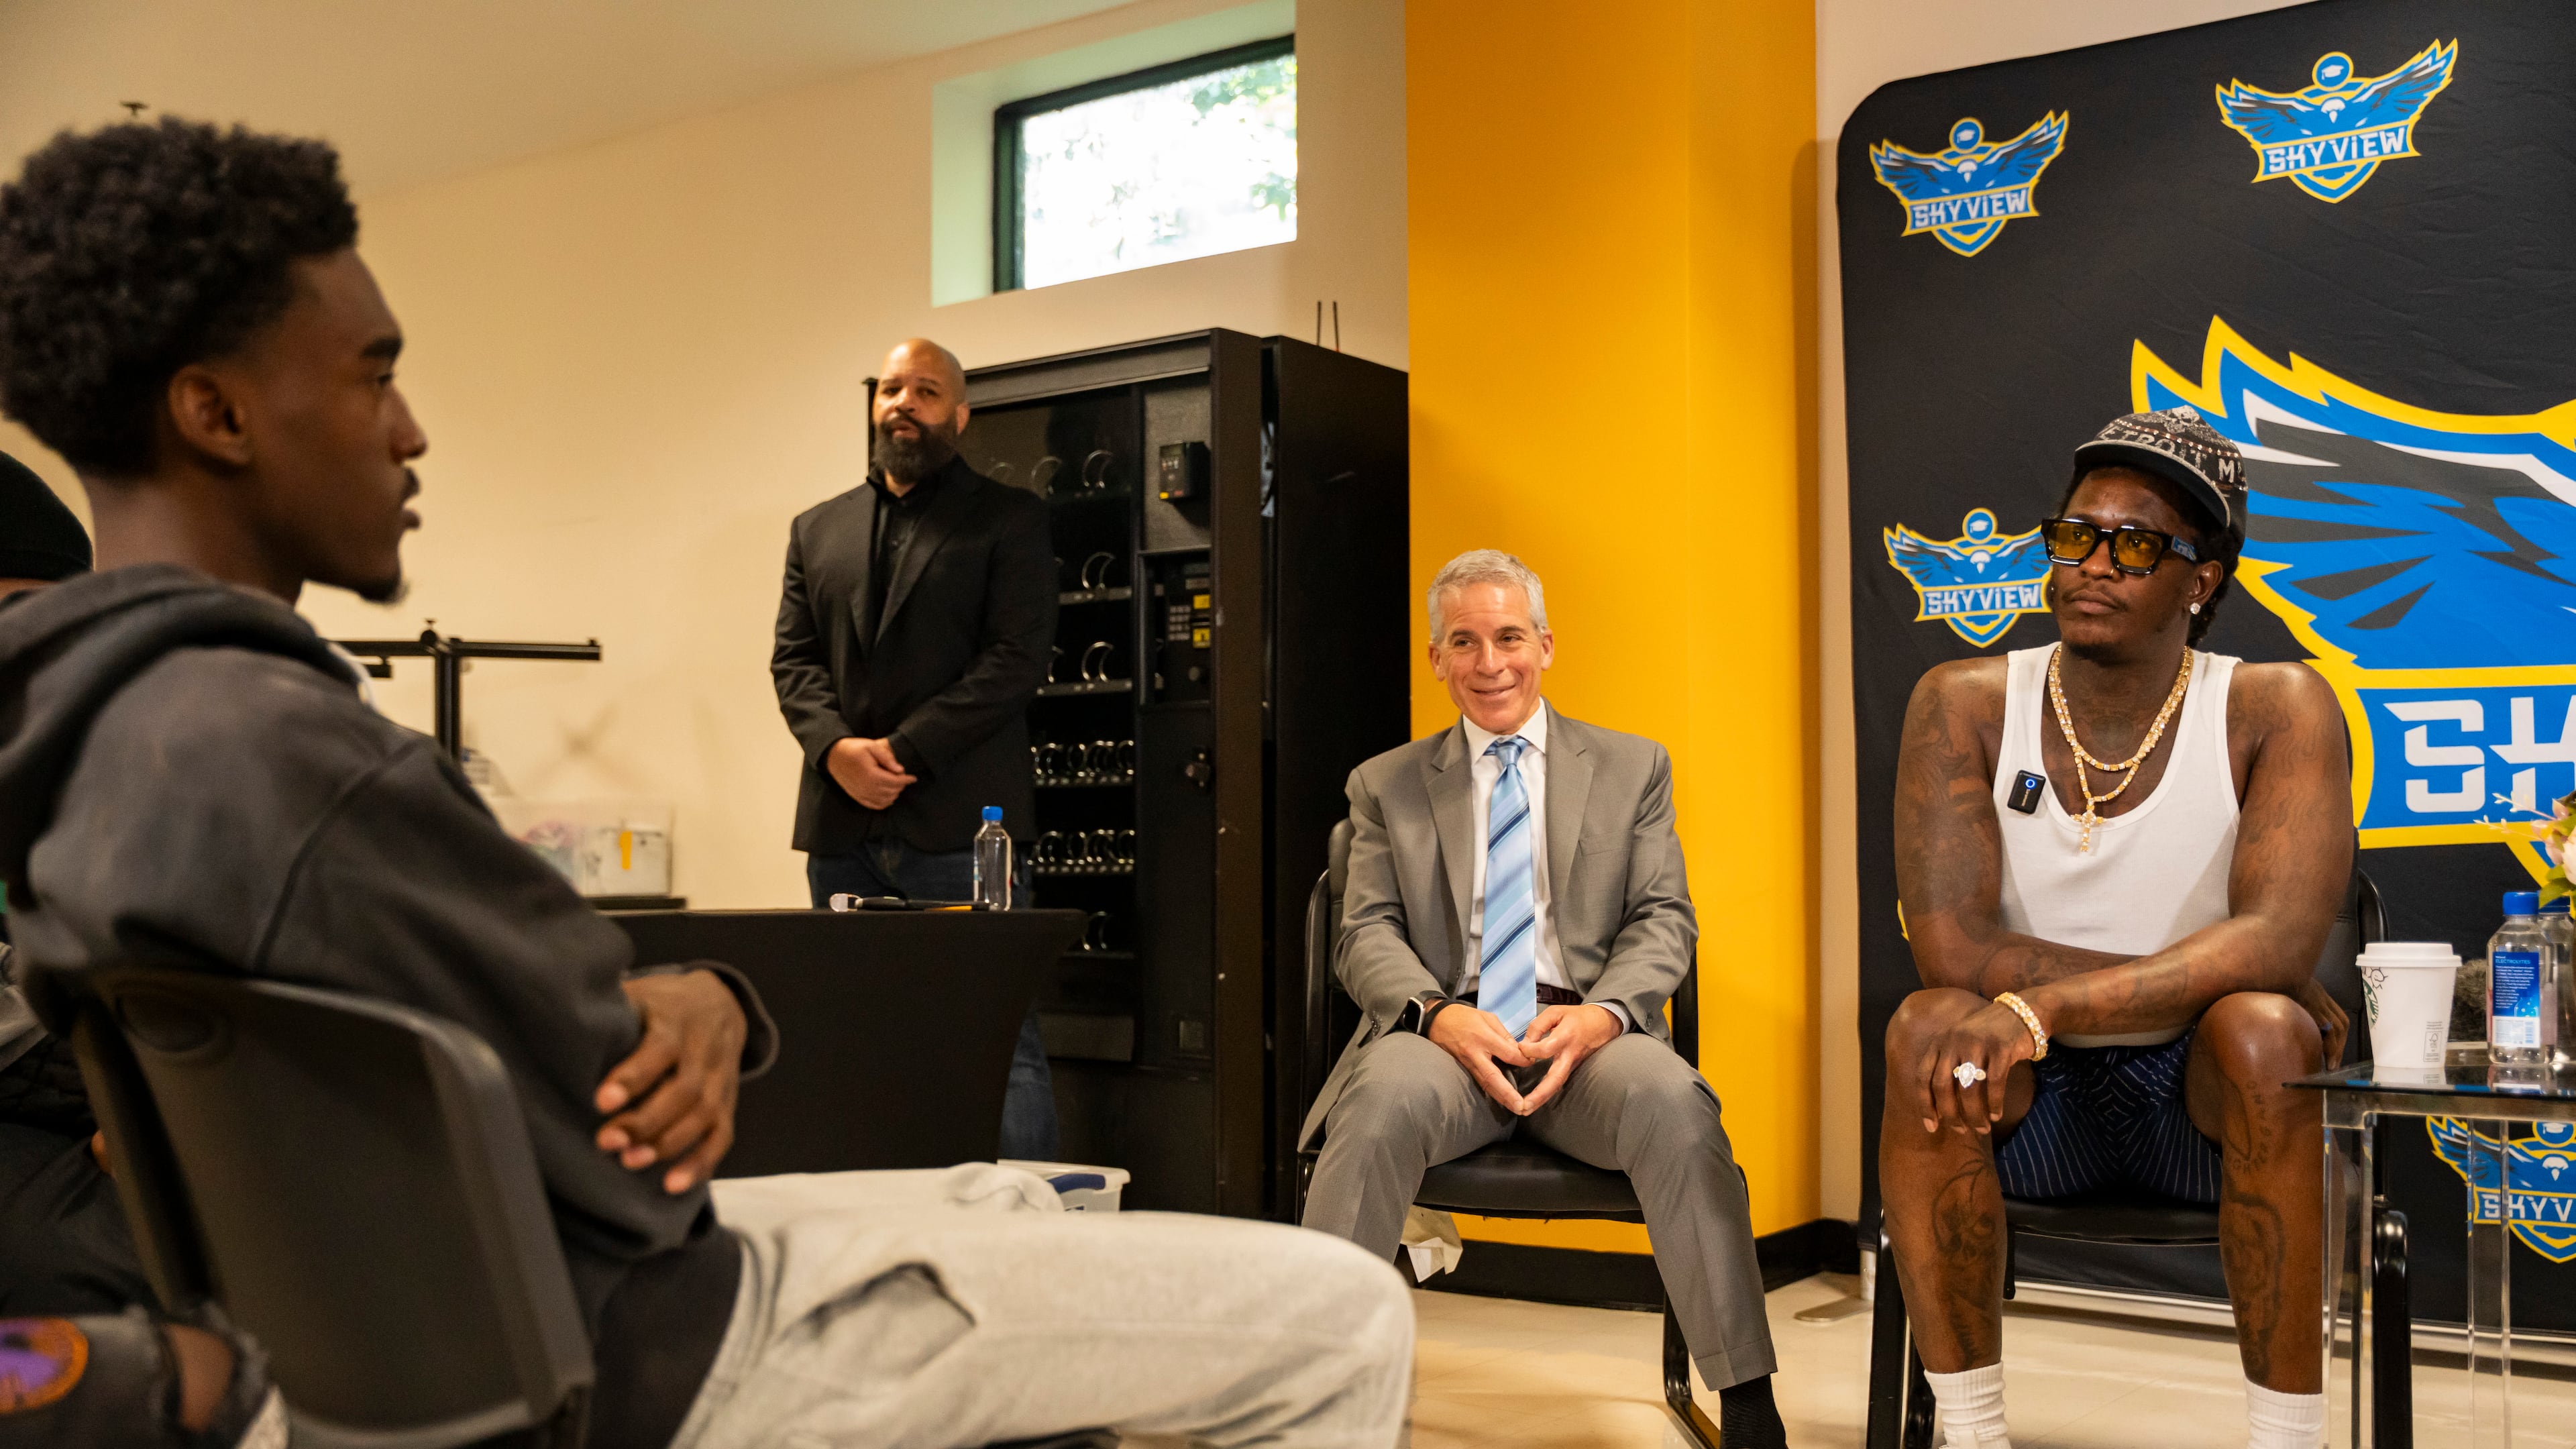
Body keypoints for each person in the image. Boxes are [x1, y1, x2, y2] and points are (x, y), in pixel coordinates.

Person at [0, 117, 1409, 1448]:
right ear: (215, 412)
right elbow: (627, 1129)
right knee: (1344, 1309)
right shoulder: (306, 764)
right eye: (375, 375)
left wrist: (694, 996)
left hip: (441, 1338)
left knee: (1000, 1193)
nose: (412, 429)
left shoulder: (88, 755)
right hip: (650, 1340)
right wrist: (704, 1009)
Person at [1880, 408, 2353, 1449]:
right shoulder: (1963, 699)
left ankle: (2289, 1441)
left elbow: (2277, 946)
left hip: (2202, 1106)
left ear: (2202, 580)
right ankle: (1972, 1435)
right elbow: (1954, 949)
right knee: (1927, 1024)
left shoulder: (2277, 706)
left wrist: (2044, 1004)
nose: (2094, 564)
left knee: (2265, 1030)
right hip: (2029, 1103)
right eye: (2076, 535)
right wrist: (2222, 958)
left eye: (2136, 545)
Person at [1298, 548, 1787, 1447]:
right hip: (1446, 1035)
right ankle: (1322, 1403)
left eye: (1510, 637)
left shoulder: (1633, 767)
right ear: (1436, 658)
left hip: (1587, 1038)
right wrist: (1438, 1015)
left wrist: (1605, 1015)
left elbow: (1663, 918)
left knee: (1678, 1107)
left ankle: (1749, 1406)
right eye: (1465, 642)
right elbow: (1365, 933)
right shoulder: (1385, 784)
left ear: (1547, 646)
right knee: (1374, 1106)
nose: (1490, 663)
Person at [772, 340, 1061, 1161]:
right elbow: (793, 661)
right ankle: (882, 1213)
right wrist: (836, 751)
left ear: (960, 416)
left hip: (967, 830)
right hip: (843, 834)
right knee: (852, 1037)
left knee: (997, 1037)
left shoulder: (1009, 520)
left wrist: (901, 752)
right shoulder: (816, 528)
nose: (905, 402)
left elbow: (1015, 661)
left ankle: (1024, 1222)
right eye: (892, 389)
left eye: (927, 391)